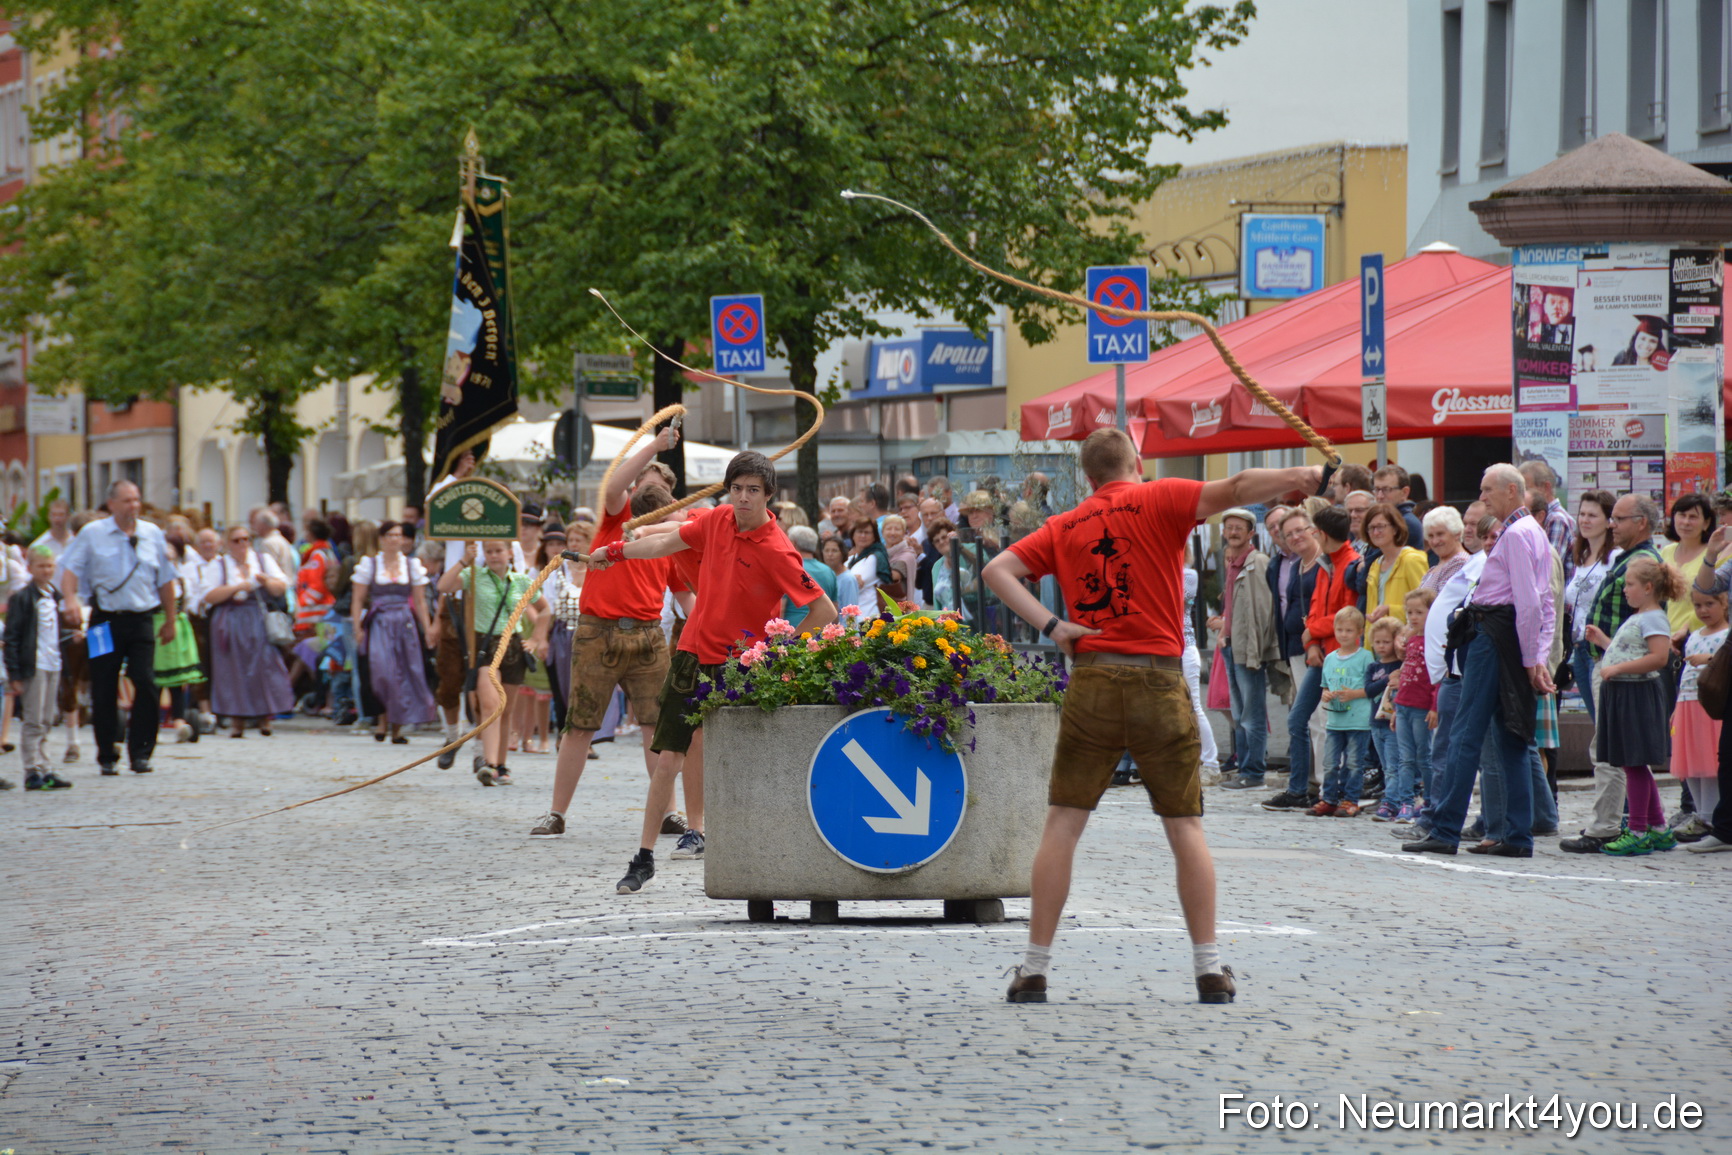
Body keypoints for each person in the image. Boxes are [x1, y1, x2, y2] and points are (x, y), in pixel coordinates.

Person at [983, 426, 1319, 1006]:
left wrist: (1054, 626)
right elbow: (1237, 484)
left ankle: (1034, 967)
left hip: (1092, 676)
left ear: (1087, 477)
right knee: (1183, 824)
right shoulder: (1159, 496)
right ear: (1136, 462)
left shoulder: (1063, 525)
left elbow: (996, 572)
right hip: (1158, 679)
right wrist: (1299, 477)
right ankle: (1209, 968)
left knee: (1064, 821)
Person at [588, 450, 837, 895]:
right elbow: (665, 542)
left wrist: (779, 652)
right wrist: (616, 551)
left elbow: (823, 609)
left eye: (753, 491)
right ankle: (643, 859)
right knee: (668, 758)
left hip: (740, 666)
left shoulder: (778, 549)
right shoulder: (718, 519)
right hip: (691, 653)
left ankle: (757, 851)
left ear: (769, 496)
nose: (743, 498)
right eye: (737, 488)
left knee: (746, 762)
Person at [530, 430, 693, 838]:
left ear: (671, 499)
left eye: (659, 488)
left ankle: (668, 813)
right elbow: (617, 484)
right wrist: (653, 448)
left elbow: (686, 598)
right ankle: (556, 813)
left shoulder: (671, 541)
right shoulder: (618, 520)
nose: (648, 490)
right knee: (580, 725)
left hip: (648, 637)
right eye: (644, 483)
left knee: (658, 727)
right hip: (598, 634)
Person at [1404, 465, 1554, 858]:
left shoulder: (1518, 534)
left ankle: (1445, 828)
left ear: (1510, 490)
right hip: (1502, 635)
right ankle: (1517, 835)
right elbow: (1544, 600)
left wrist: (1531, 658)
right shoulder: (1531, 531)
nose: (1482, 498)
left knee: (1466, 735)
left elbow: (1530, 601)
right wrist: (1534, 655)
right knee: (1510, 737)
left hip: (1494, 635)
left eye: (1487, 491)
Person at [1561, 493, 1662, 854]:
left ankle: (1607, 826)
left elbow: (1647, 620)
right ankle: (1654, 824)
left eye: (1619, 519)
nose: (1612, 525)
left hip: (1618, 666)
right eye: (1613, 518)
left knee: (1609, 749)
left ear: (1641, 523)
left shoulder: (1643, 561)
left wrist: (1610, 650)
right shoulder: (1628, 557)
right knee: (1616, 748)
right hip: (1602, 659)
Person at [58, 480, 179, 775]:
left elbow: (165, 580)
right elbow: (70, 569)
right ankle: (107, 753)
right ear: (111, 504)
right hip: (105, 621)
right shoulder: (92, 534)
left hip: (141, 619)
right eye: (126, 501)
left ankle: (141, 751)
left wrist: (171, 620)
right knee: (104, 685)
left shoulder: (152, 534)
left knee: (146, 682)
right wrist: (71, 599)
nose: (133, 506)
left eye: (136, 500)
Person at [1583, 557, 1682, 855]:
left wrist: (1615, 669)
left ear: (1648, 587)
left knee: (1634, 763)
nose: (1625, 590)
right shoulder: (1640, 617)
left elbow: (1658, 657)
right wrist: (1604, 642)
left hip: (1636, 695)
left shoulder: (1653, 617)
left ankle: (1638, 829)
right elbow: (1632, 648)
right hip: (1625, 694)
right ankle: (1658, 826)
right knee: (1633, 762)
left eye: (1630, 584)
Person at [1264, 506, 1360, 812]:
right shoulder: (1324, 563)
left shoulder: (1348, 564)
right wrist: (1312, 641)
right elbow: (1316, 606)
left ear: (1321, 532)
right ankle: (1308, 787)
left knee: (1332, 722)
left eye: (1306, 529)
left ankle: (1332, 790)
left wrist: (1311, 632)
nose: (1298, 536)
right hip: (1319, 652)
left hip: (1341, 656)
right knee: (1299, 720)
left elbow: (1347, 614)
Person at [436, 538, 550, 786]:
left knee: (506, 710)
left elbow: (545, 610)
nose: (494, 555)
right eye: (489, 551)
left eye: (499, 551)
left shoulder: (521, 581)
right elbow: (444, 586)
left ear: (510, 553)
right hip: (485, 646)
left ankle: (500, 765)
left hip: (513, 646)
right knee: (490, 706)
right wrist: (465, 560)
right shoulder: (473, 575)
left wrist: (536, 638)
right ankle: (487, 764)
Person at [1247, 508, 1324, 795]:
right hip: (1293, 646)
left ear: (1313, 529)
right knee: (1303, 718)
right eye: (1284, 531)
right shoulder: (1285, 566)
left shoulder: (1321, 564)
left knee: (1318, 718)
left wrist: (1314, 640)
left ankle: (1322, 783)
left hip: (1316, 648)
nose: (1291, 536)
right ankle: (1308, 783)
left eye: (1297, 530)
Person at [201, 523, 296, 738]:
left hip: (257, 617)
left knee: (265, 665)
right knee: (232, 669)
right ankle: (237, 722)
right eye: (237, 540)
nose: (243, 544)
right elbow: (208, 596)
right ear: (227, 543)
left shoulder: (262, 560)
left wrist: (266, 581)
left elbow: (282, 587)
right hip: (230, 619)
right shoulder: (219, 565)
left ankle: (265, 718)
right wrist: (237, 587)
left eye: (246, 539)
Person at [1207, 508, 1279, 789]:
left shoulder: (1256, 562)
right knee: (1239, 712)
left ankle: (1254, 772)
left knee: (1252, 712)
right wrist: (1224, 630)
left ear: (1251, 533)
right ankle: (1244, 769)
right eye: (1229, 528)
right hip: (1231, 645)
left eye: (1239, 528)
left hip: (1248, 648)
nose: (1233, 532)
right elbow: (1234, 607)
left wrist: (1255, 648)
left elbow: (1262, 610)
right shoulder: (1233, 562)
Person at [352, 520, 438, 745]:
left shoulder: (411, 565)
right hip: (379, 622)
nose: (394, 539)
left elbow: (420, 601)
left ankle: (397, 727)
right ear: (381, 539)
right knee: (382, 671)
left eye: (398, 535)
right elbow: (358, 599)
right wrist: (357, 628)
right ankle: (383, 719)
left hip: (404, 623)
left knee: (404, 672)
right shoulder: (369, 564)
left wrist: (427, 629)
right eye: (389, 535)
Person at [5, 546, 72, 790]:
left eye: (50, 566)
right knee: (33, 719)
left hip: (53, 662)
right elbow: (13, 636)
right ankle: (31, 769)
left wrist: (70, 635)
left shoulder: (54, 596)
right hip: (34, 664)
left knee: (47, 717)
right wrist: (15, 672)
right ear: (30, 568)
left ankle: (46, 767)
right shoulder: (23, 598)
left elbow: (51, 631)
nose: (47, 571)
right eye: (41, 566)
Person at [1671, 584, 1728, 842]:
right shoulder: (1693, 636)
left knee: (1710, 762)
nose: (1703, 610)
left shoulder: (1728, 635)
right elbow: (1685, 677)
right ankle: (1700, 812)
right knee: (1691, 762)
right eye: (1697, 605)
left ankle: (1710, 815)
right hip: (1687, 702)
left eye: (1709, 604)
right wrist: (1676, 707)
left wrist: (1709, 659)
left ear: (1724, 603)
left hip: (1711, 704)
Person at [1313, 607, 1374, 817]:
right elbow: (1325, 686)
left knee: (1354, 763)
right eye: (1339, 630)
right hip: (1335, 720)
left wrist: (1354, 694)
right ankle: (1329, 798)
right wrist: (1326, 695)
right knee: (1330, 762)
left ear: (1359, 632)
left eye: (1349, 630)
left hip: (1358, 720)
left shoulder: (1366, 657)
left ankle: (1350, 799)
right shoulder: (1330, 658)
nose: (1343, 634)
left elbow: (1372, 687)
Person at [1564, 490, 1618, 722]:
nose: (1584, 520)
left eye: (1592, 515)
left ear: (1609, 522)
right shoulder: (1582, 554)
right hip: (1578, 648)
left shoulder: (1617, 556)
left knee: (1607, 722)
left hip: (1601, 648)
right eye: (1582, 514)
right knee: (1597, 722)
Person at [1383, 589, 1437, 823]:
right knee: (1405, 757)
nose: (1413, 617)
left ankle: (1431, 800)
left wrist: (1435, 707)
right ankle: (1406, 802)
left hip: (1422, 708)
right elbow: (1406, 676)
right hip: (1403, 706)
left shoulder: (1434, 641)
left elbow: (1437, 677)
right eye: (1409, 612)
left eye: (1419, 612)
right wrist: (1395, 708)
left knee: (1423, 757)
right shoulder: (1412, 641)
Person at [154, 536, 205, 742]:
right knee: (156, 680)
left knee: (177, 680)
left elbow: (190, 601)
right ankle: (154, 723)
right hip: (157, 626)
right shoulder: (153, 578)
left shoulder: (182, 578)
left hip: (178, 627)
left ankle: (178, 720)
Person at [1181, 565, 1221, 783]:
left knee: (1194, 705)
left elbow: (1177, 603)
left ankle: (1211, 763)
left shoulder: (1188, 574)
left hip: (1185, 647)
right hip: (1163, 649)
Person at [1361, 503, 1428, 622]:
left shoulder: (1412, 560)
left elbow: (1425, 607)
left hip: (1405, 637)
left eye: (1381, 527)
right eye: (1371, 528)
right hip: (1379, 638)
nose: (1376, 532)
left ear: (1395, 529)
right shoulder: (1375, 565)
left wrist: (1390, 610)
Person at [1661, 492, 1714, 635]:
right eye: (1682, 515)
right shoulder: (1666, 552)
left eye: (1693, 517)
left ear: (1706, 523)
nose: (1686, 522)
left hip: (1698, 635)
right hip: (1665, 634)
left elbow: (1718, 601)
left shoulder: (1714, 555)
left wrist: (1686, 628)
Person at [1519, 460, 1576, 578]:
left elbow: (1547, 567)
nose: (1522, 495)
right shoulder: (1547, 516)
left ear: (1546, 487)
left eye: (1526, 489)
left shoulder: (1556, 519)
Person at [784, 524, 838, 630]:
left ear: (793, 543)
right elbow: (834, 610)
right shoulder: (828, 571)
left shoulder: (791, 568)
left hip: (792, 636)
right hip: (821, 636)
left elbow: (781, 607)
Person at [1370, 466, 1424, 548]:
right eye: (1377, 489)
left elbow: (1375, 557)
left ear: (1404, 492)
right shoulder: (1384, 519)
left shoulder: (1404, 523)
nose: (1380, 496)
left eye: (1386, 489)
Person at [844, 519, 891, 613]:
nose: (863, 536)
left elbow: (851, 586)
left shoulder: (875, 557)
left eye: (867, 532)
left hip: (868, 616)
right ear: (853, 535)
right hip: (853, 616)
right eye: (859, 532)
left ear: (874, 537)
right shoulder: (852, 558)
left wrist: (846, 576)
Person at [879, 514, 918, 603]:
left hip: (898, 608)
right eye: (889, 529)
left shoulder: (907, 556)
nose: (892, 533)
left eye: (897, 529)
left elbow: (892, 576)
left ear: (904, 533)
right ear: (882, 532)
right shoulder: (881, 553)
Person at [29, 499, 74, 570]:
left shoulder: (76, 541)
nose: (57, 519)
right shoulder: (39, 545)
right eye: (54, 515)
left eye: (61, 515)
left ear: (68, 516)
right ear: (48, 517)